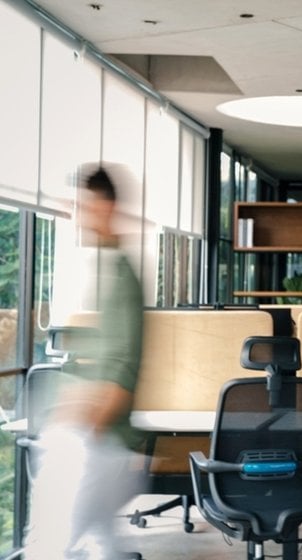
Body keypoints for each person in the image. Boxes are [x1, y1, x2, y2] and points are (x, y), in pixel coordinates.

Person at [25, 164, 145, 560]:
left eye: (84, 205)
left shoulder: (121, 275)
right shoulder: (107, 266)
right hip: (93, 437)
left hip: (97, 442)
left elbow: (123, 365)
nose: (78, 214)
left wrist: (86, 429)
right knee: (98, 546)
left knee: (50, 548)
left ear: (106, 206)